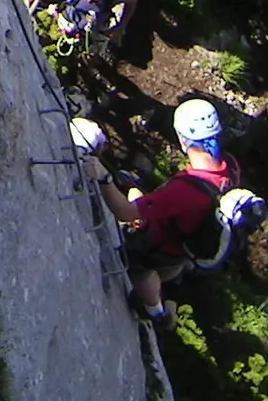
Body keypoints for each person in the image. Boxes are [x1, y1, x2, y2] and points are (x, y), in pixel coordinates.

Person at [84, 99, 242, 328]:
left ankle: (155, 311)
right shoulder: (231, 166)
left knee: (138, 266)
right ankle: (170, 291)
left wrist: (104, 177)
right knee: (138, 197)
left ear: (183, 139)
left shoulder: (184, 190)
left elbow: (124, 212)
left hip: (165, 243)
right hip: (190, 240)